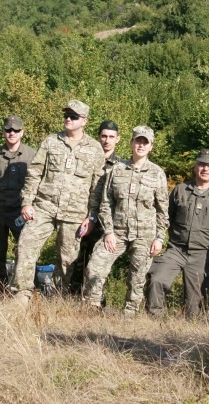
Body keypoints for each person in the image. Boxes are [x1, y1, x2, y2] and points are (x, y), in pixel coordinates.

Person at [13, 100, 105, 303]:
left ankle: (58, 299)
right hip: (44, 207)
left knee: (67, 260)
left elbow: (97, 188)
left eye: (73, 116)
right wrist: (27, 202)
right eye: (66, 115)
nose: (68, 119)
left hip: (74, 213)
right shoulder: (51, 141)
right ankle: (22, 294)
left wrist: (91, 217)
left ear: (84, 121)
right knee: (26, 245)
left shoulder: (94, 149)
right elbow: (34, 172)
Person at [83, 126, 169, 315]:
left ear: (151, 147)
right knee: (95, 266)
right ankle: (91, 309)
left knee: (137, 279)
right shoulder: (117, 169)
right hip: (117, 232)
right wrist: (109, 232)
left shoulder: (157, 173)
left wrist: (159, 238)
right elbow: (106, 203)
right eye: (138, 141)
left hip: (144, 235)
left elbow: (163, 211)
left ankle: (129, 316)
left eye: (145, 142)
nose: (141, 145)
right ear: (131, 143)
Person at [147, 148, 209, 318]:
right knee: (157, 280)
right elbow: (166, 217)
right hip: (176, 250)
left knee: (195, 303)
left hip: (201, 254)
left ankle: (190, 327)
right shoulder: (180, 190)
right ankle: (153, 320)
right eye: (202, 164)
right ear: (195, 166)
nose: (205, 169)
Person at [0, 115, 36, 296]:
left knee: (25, 253)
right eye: (8, 130)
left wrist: (33, 207)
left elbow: (38, 183)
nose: (12, 133)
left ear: (22, 132)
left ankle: (23, 292)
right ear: (3, 131)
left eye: (16, 130)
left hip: (21, 211)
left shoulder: (32, 155)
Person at [71, 120, 121, 293]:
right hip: (81, 216)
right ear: (98, 137)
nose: (107, 140)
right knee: (76, 260)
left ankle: (96, 303)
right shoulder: (88, 159)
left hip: (106, 223)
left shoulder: (121, 166)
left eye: (111, 137)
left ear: (118, 139)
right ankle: (71, 300)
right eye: (104, 136)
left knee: (100, 264)